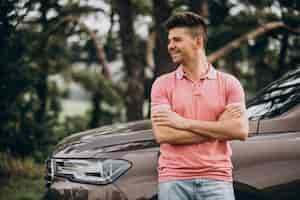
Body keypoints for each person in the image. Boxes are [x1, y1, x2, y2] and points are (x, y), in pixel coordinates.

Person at [150, 12, 249, 200]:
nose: (170, 46)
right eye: (170, 40)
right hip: (173, 179)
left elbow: (240, 130)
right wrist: (220, 128)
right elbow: (163, 134)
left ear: (198, 42)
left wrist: (181, 123)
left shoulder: (229, 83)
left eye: (177, 40)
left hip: (217, 178)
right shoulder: (161, 84)